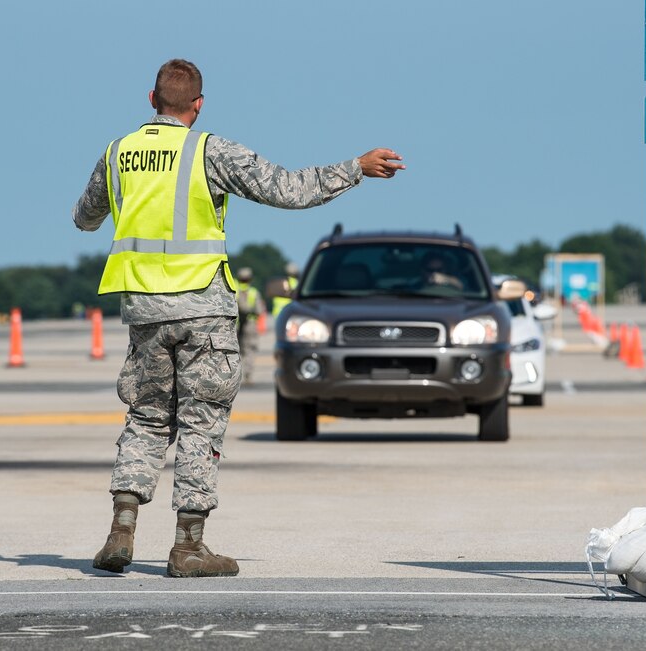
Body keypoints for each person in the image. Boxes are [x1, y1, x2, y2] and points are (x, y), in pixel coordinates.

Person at [72, 58, 404, 576]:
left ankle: (122, 529)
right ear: (198, 105)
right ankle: (187, 546)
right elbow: (288, 189)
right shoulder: (210, 151)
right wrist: (356, 168)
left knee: (146, 417)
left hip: (143, 309)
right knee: (201, 423)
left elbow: (85, 216)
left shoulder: (117, 153)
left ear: (150, 99)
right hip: (203, 308)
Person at [234, 267, 266, 385]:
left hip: (236, 325)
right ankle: (248, 375)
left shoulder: (234, 291)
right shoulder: (254, 292)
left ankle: (236, 375)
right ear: (250, 279)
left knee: (237, 350)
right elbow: (259, 310)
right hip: (250, 324)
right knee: (250, 350)